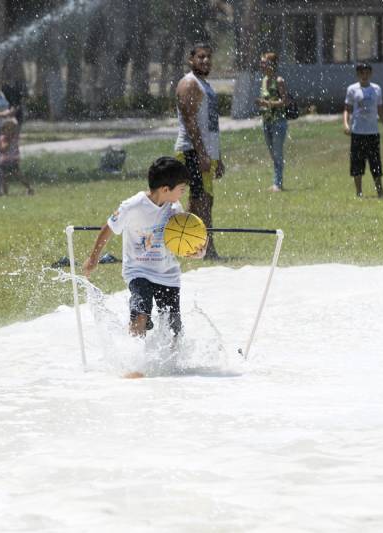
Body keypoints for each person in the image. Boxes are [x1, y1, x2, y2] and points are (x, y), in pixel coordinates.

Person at [83, 157, 204, 357]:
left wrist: (196, 252)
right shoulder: (132, 206)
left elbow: (183, 243)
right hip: (138, 271)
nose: (183, 192)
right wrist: (93, 258)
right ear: (165, 189)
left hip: (167, 274)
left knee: (173, 326)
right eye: (181, 189)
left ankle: (172, 364)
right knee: (140, 313)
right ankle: (134, 359)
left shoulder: (175, 209)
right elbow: (108, 228)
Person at [175, 43, 224, 260]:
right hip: (192, 150)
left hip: (205, 152)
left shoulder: (205, 85)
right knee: (202, 200)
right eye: (201, 57)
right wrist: (202, 153)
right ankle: (207, 250)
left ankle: (184, 244)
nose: (205, 61)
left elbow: (212, 124)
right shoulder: (189, 83)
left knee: (201, 201)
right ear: (191, 60)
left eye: (208, 57)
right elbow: (190, 122)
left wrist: (217, 157)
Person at [343, 62, 383, 198]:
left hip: (372, 132)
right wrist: (346, 124)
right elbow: (347, 109)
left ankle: (380, 191)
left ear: (370, 74)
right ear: (357, 74)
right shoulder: (352, 89)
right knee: (357, 163)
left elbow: (381, 111)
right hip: (358, 132)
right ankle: (359, 193)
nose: (364, 76)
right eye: (361, 73)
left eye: (367, 73)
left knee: (375, 162)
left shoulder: (376, 89)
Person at [255, 52, 290, 192]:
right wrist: (262, 105)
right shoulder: (264, 80)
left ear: (271, 64)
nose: (261, 65)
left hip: (278, 122)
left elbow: (285, 102)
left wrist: (266, 103)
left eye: (264, 62)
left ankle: (278, 184)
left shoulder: (279, 81)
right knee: (272, 153)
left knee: (277, 153)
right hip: (267, 122)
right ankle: (276, 182)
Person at [0, 118, 33, 196]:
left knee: (19, 176)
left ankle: (29, 188)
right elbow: (2, 149)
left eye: (11, 129)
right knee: (4, 178)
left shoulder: (14, 137)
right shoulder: (2, 138)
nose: (9, 131)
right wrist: (8, 142)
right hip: (4, 161)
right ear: (3, 130)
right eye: (7, 129)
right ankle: (5, 193)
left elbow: (16, 124)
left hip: (13, 160)